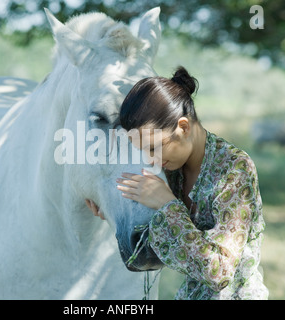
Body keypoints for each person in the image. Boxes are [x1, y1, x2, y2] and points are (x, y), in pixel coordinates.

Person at [86, 66, 269, 300]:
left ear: (183, 127)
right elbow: (168, 237)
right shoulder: (171, 168)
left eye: (154, 147)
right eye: (144, 151)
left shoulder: (234, 169)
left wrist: (167, 204)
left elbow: (220, 272)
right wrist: (114, 211)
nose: (152, 160)